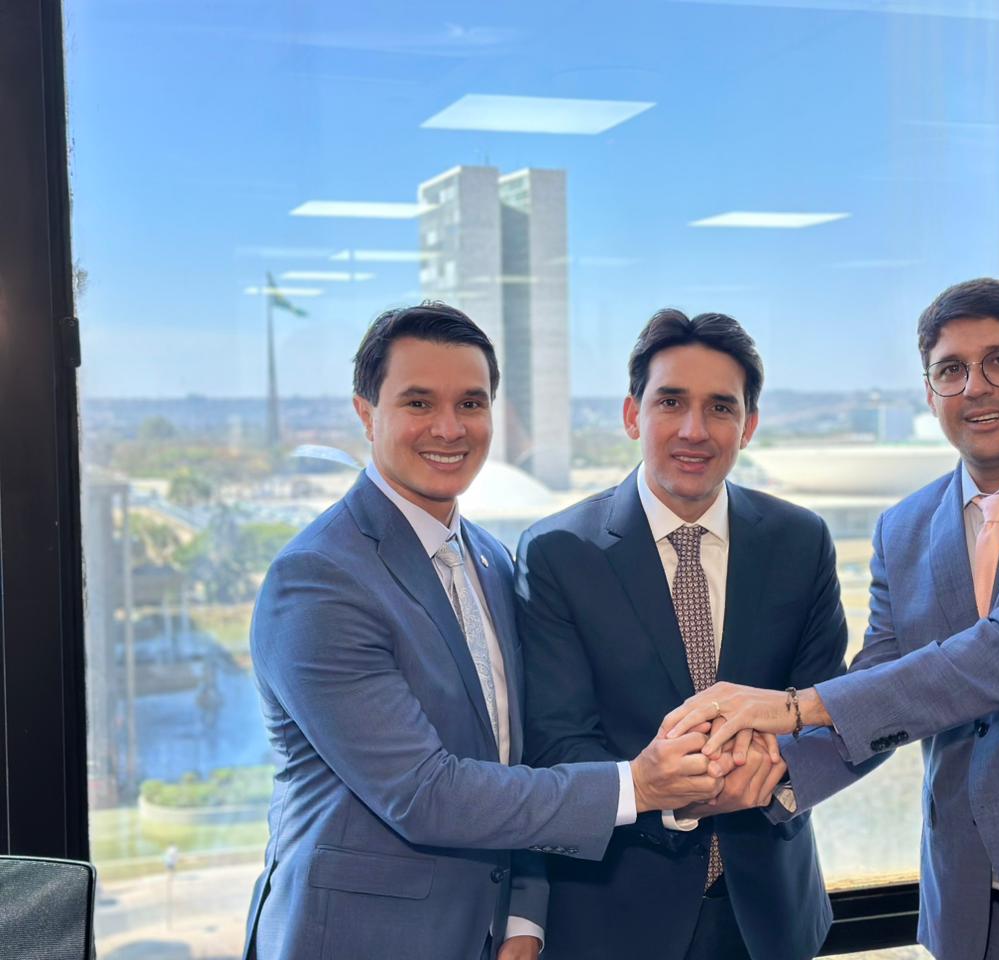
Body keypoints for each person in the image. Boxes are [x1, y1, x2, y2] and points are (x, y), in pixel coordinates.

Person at [664, 279, 999, 960]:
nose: (975, 387)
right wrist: (769, 773)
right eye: (950, 370)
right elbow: (883, 686)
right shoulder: (903, 527)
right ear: (930, 395)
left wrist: (790, 707)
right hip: (968, 909)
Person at [243, 303, 723, 960]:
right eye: (419, 402)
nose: (449, 428)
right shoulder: (318, 578)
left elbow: (513, 759)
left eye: (470, 403)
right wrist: (635, 784)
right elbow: (424, 792)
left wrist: (524, 912)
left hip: (487, 936)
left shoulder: (492, 560)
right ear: (366, 413)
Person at [517, 309, 847, 960]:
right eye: (671, 402)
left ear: (748, 426)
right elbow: (556, 738)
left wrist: (778, 771)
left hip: (770, 917)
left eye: (721, 407)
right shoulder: (557, 552)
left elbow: (827, 708)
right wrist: (678, 790)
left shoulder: (801, 541)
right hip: (615, 916)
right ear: (632, 415)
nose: (695, 430)